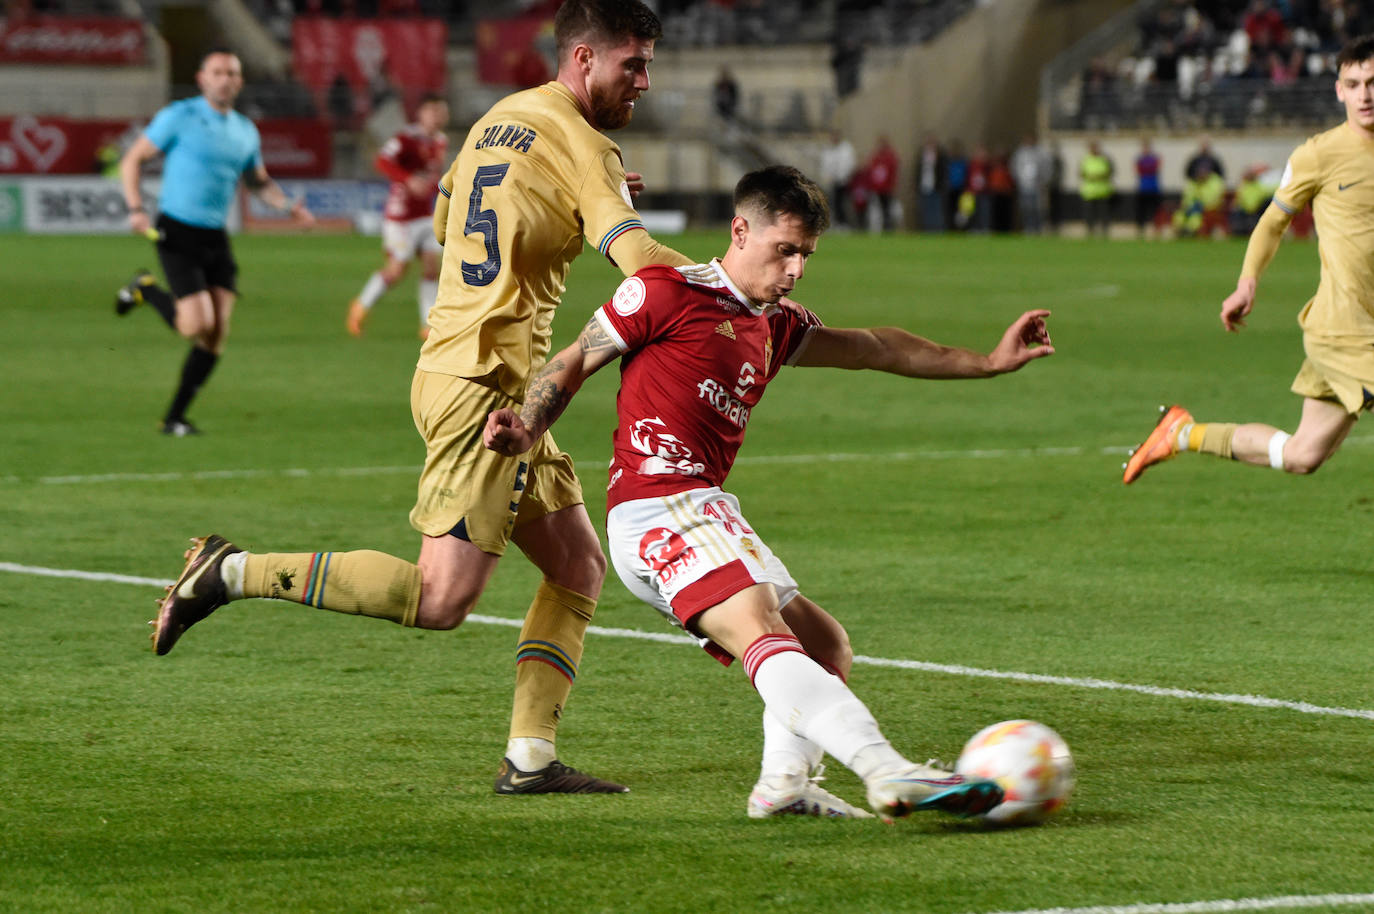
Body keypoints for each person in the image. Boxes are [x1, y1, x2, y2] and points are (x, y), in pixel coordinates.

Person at [152, 0, 698, 795]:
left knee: (578, 565)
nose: (644, 81)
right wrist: (727, 286)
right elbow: (641, 265)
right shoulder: (586, 144)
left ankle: (531, 759)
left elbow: (446, 219)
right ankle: (228, 573)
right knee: (440, 599)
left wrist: (561, 197)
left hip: (482, 381)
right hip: (487, 392)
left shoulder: (500, 120)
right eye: (633, 64)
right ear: (585, 59)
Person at [483, 165, 1055, 818]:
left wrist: (985, 361)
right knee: (758, 624)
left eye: (806, 255)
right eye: (785, 250)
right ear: (740, 231)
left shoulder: (776, 324)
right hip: (656, 508)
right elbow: (577, 357)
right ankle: (885, 770)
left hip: (704, 508)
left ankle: (783, 783)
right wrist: (527, 426)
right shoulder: (666, 293)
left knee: (826, 645)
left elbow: (874, 348)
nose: (796, 269)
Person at [1123, 34, 1374, 484]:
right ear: (1338, 90)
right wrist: (1247, 280)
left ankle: (1182, 433)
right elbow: (1272, 222)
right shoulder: (1319, 154)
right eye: (1353, 84)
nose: (1365, 95)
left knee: (1301, 454)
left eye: (1372, 82)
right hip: (1343, 331)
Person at [115, 49, 315, 436]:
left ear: (239, 82)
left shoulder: (245, 130)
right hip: (177, 230)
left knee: (216, 333)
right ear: (202, 78)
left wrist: (288, 205)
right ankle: (145, 289)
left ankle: (174, 418)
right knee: (194, 326)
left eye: (232, 73)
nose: (225, 79)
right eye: (218, 72)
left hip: (215, 237)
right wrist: (136, 208)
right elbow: (132, 160)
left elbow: (258, 182)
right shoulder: (180, 115)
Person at [346, 93, 450, 339]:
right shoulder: (406, 138)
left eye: (441, 112)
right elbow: (382, 161)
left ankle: (428, 325)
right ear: (421, 113)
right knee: (397, 270)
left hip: (425, 215)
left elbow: (432, 176)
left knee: (430, 268)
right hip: (401, 217)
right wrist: (408, 179)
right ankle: (360, 306)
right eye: (433, 111)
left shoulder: (440, 141)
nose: (438, 117)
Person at [819, 128, 856, 228]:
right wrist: (827, 176)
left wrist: (842, 176)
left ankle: (844, 223)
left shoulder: (846, 149)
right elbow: (826, 165)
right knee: (833, 203)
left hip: (844, 182)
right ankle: (837, 223)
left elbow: (848, 165)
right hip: (832, 182)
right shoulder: (828, 150)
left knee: (841, 203)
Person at [1079, 140, 1114, 238]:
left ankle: (1104, 232)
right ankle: (1090, 231)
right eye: (1092, 147)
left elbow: (1109, 172)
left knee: (1104, 214)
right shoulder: (1085, 159)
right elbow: (1081, 173)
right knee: (1089, 214)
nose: (1094, 149)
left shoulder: (1104, 159)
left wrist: (1098, 176)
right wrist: (1092, 177)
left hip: (1102, 191)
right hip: (1089, 192)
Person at [1134, 138, 1162, 238]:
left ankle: (1157, 229)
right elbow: (1138, 170)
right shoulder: (1139, 159)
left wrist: (1146, 169)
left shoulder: (1154, 158)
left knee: (1155, 211)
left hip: (1154, 188)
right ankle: (1140, 230)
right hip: (1142, 189)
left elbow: (1155, 168)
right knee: (1141, 212)